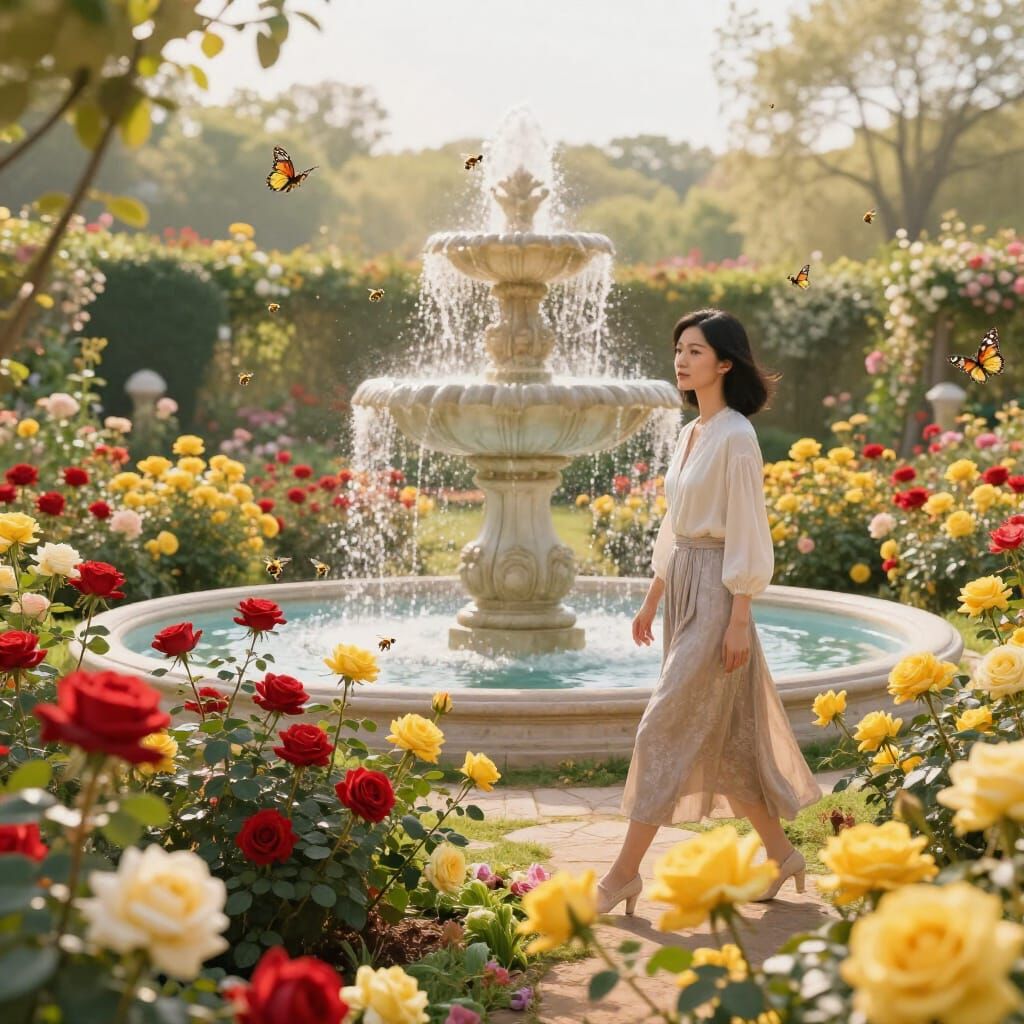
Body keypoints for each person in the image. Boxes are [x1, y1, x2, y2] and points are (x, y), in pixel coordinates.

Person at [596, 308, 821, 916]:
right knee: (728, 741)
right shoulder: (692, 432)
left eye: (695, 351)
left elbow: (748, 526)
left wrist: (740, 615)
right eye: (679, 349)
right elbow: (675, 523)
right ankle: (781, 856)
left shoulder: (736, 436)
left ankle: (621, 876)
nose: (681, 359)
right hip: (685, 586)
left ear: (725, 362)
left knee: (662, 725)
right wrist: (653, 596)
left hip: (722, 593)